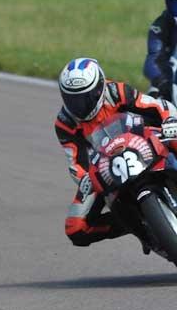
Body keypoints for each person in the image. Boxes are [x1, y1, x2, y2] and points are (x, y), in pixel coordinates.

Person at [56, 57, 177, 247]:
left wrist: (170, 121)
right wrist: (85, 179)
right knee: (76, 228)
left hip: (144, 140)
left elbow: (158, 106)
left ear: (100, 87)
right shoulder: (65, 123)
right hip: (106, 165)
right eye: (72, 99)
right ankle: (138, 224)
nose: (80, 105)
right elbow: (76, 163)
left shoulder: (117, 92)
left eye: (86, 97)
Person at [143, 0, 177, 103]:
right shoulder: (160, 26)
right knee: (153, 96)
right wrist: (161, 81)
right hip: (170, 80)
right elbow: (152, 61)